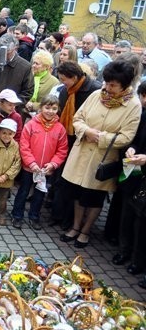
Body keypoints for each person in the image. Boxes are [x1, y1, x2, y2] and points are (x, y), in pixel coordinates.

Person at [60, 59, 141, 248]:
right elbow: (78, 118)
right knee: (79, 194)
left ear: (125, 86)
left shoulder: (133, 105)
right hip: (81, 154)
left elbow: (127, 136)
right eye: (106, 83)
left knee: (94, 197)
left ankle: (86, 231)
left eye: (113, 85)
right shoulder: (97, 94)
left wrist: (100, 137)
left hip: (103, 158)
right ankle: (75, 226)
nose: (107, 88)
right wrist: (86, 131)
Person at [49, 61, 101, 228]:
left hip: (83, 142)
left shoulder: (95, 91)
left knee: (74, 184)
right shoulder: (66, 91)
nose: (62, 83)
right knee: (61, 180)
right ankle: (59, 215)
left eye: (64, 79)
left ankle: (70, 220)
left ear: (75, 77)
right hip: (66, 141)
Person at [12, 95, 68, 230]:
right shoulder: (31, 125)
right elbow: (24, 146)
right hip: (29, 168)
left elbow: (62, 150)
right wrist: (31, 163)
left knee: (40, 193)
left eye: (54, 108)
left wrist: (53, 164)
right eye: (47, 107)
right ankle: (17, 215)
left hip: (45, 170)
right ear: (41, 107)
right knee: (23, 191)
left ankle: (34, 216)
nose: (50, 111)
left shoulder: (60, 129)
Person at [111, 81, 146, 280]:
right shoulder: (141, 114)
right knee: (127, 214)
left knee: (142, 223)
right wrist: (131, 147)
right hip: (133, 172)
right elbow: (131, 134)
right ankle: (125, 251)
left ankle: (138, 261)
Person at [25, 50, 59, 116]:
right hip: (24, 113)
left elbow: (52, 102)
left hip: (41, 115)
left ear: (46, 66)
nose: (34, 66)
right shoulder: (28, 77)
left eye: (37, 64)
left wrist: (33, 105)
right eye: (33, 63)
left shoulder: (54, 82)